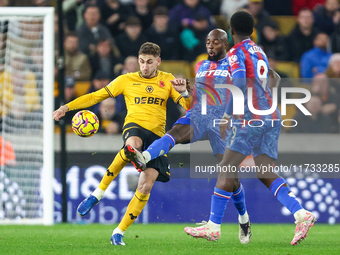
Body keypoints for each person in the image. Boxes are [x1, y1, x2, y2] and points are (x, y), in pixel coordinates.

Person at [184, 11, 315, 246]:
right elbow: (274, 77)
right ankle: (300, 214)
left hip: (250, 118)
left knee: (226, 167)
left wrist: (226, 115)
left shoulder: (236, 52)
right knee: (264, 171)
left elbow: (241, 82)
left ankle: (213, 227)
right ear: (252, 31)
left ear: (231, 31)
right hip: (271, 116)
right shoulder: (258, 50)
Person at [53, 42, 190, 245]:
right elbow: (96, 95)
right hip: (134, 126)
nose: (144, 66)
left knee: (145, 185)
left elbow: (187, 109)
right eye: (142, 61)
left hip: (157, 137)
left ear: (158, 62)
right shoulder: (126, 80)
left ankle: (118, 232)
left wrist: (185, 93)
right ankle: (96, 194)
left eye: (149, 62)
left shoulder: (168, 80)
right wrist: (66, 107)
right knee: (132, 145)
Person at [124, 28, 252, 244]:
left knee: (229, 175)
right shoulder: (201, 65)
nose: (211, 45)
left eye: (216, 42)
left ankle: (244, 218)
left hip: (223, 122)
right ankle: (144, 157)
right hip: (200, 116)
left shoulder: (235, 63)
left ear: (226, 44)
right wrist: (185, 91)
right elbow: (198, 94)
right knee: (174, 132)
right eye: (208, 41)